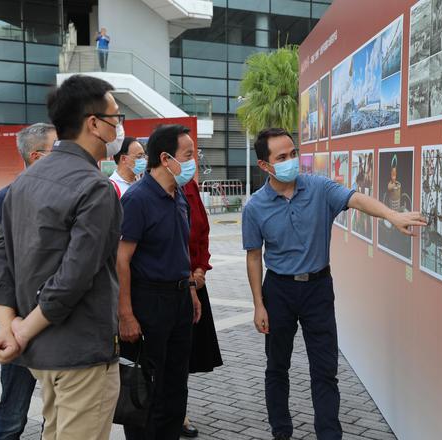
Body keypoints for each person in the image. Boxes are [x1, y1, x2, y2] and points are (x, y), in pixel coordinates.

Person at [242, 128, 426, 440]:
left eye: (293, 153)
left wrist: (391, 215)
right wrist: (259, 304)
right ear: (265, 166)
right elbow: (254, 257)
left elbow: (356, 198)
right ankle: (281, 431)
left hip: (317, 289)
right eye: (282, 157)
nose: (291, 161)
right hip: (279, 291)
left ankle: (329, 434)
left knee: (325, 369)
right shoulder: (255, 207)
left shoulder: (318, 188)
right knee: (277, 367)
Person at [0, 74, 124, 440]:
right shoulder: (95, 187)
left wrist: (8, 327)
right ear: (94, 123)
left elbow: (1, 256)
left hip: (42, 354)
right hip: (81, 352)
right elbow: (73, 277)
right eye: (116, 118)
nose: (118, 128)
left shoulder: (24, 181)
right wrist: (19, 331)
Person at [117, 124, 201, 440]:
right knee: (145, 386)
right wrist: (125, 314)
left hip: (179, 299)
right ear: (166, 158)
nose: (195, 161)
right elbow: (120, 259)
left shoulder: (178, 196)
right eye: (189, 155)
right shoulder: (137, 199)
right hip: (148, 302)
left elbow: (181, 250)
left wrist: (190, 291)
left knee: (175, 385)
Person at [0, 122, 56, 440]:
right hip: (19, 319)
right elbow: (3, 264)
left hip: (54, 320)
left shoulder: (65, 194)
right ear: (37, 156)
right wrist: (10, 322)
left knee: (55, 412)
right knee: (12, 412)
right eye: (59, 149)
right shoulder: (7, 198)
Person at [181, 177, 223, 438]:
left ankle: (179, 413)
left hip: (196, 282)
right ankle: (165, 413)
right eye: (186, 155)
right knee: (166, 357)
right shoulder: (147, 192)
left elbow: (203, 231)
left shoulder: (190, 187)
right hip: (169, 286)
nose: (191, 162)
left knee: (185, 355)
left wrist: (200, 268)